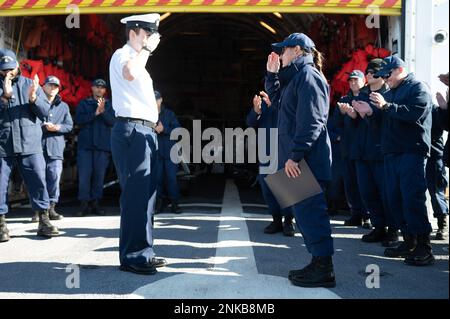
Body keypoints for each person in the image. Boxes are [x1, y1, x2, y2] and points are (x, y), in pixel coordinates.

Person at [265, 33, 335, 287]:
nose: (279, 55)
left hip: (305, 161)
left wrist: (295, 155)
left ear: (296, 50)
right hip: (295, 161)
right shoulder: (295, 78)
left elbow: (313, 121)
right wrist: (272, 75)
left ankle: (324, 268)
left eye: (282, 51)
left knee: (312, 214)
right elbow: (275, 106)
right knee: (304, 215)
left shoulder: (308, 76)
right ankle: (318, 262)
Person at [353, 56, 434, 266]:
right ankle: (409, 240)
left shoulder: (418, 88)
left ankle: (424, 246)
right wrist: (370, 113)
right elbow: (383, 123)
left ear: (399, 70)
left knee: (411, 197)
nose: (385, 80)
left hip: (411, 152)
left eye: (387, 75)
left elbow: (414, 113)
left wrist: (386, 106)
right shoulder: (391, 92)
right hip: (391, 153)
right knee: (394, 198)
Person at [109, 13, 167, 275]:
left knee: (146, 197)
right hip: (132, 129)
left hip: (144, 131)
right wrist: (145, 50)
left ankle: (144, 251)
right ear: (134, 32)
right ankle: (133, 256)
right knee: (135, 197)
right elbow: (130, 73)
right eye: (147, 34)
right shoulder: (124, 55)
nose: (151, 39)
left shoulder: (136, 58)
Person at [0, 49, 58, 242]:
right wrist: (5, 97)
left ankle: (44, 220)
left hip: (29, 143)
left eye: (10, 69)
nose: (7, 73)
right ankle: (1, 224)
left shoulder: (29, 84)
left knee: (37, 181)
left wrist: (33, 99)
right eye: (3, 70)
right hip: (3, 145)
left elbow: (45, 112)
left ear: (18, 66)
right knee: (0, 185)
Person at [347, 59, 399, 247]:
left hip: (380, 152)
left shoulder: (389, 95)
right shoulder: (362, 94)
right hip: (361, 151)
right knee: (367, 192)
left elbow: (388, 123)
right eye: (367, 72)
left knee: (386, 193)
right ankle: (378, 227)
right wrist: (354, 116)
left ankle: (393, 229)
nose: (368, 75)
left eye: (372, 72)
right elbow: (355, 127)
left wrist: (371, 113)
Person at [246, 91, 295, 236]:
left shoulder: (287, 99)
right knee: (267, 187)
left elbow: (292, 119)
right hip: (266, 151)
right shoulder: (263, 105)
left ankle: (288, 220)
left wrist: (274, 106)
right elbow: (250, 122)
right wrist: (256, 110)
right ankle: (276, 220)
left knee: (285, 186)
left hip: (284, 149)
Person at [332, 70, 371, 229]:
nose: (353, 83)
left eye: (356, 80)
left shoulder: (368, 98)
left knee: (365, 184)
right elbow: (335, 124)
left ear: (364, 81)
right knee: (350, 183)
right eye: (350, 81)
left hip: (363, 149)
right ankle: (355, 213)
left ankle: (367, 215)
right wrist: (342, 114)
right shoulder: (344, 100)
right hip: (347, 149)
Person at [34, 75, 73, 222]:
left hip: (55, 148)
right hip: (37, 146)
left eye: (56, 86)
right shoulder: (35, 102)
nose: (52, 88)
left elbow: (69, 126)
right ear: (43, 86)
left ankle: (51, 208)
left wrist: (57, 127)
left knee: (54, 178)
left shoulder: (63, 106)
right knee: (38, 178)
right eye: (50, 85)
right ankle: (38, 210)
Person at [75, 78, 115, 216]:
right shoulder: (84, 103)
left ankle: (96, 203)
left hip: (102, 146)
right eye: (96, 87)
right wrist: (95, 113)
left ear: (105, 91)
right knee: (84, 177)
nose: (99, 89)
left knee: (99, 176)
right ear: (92, 88)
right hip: (85, 146)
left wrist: (103, 111)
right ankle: (84, 204)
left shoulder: (110, 105)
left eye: (102, 87)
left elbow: (113, 122)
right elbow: (78, 121)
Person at [154, 90, 182, 214]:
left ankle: (175, 204)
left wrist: (163, 129)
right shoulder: (147, 115)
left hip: (170, 153)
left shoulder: (170, 114)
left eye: (157, 99)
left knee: (172, 179)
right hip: (156, 152)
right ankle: (158, 205)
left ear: (161, 100)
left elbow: (178, 131)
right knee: (157, 180)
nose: (155, 102)